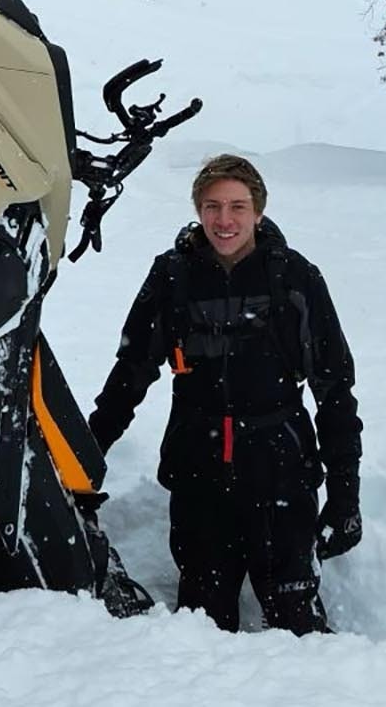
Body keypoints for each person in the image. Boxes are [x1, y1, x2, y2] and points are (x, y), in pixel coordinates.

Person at [86, 154, 363, 634]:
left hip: (281, 473)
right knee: (203, 629)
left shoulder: (295, 277)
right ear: (198, 210)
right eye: (212, 206)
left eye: (238, 206)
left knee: (297, 625)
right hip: (200, 476)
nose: (225, 220)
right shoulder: (172, 277)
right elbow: (130, 374)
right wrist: (85, 461)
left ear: (258, 210)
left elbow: (335, 389)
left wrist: (345, 496)